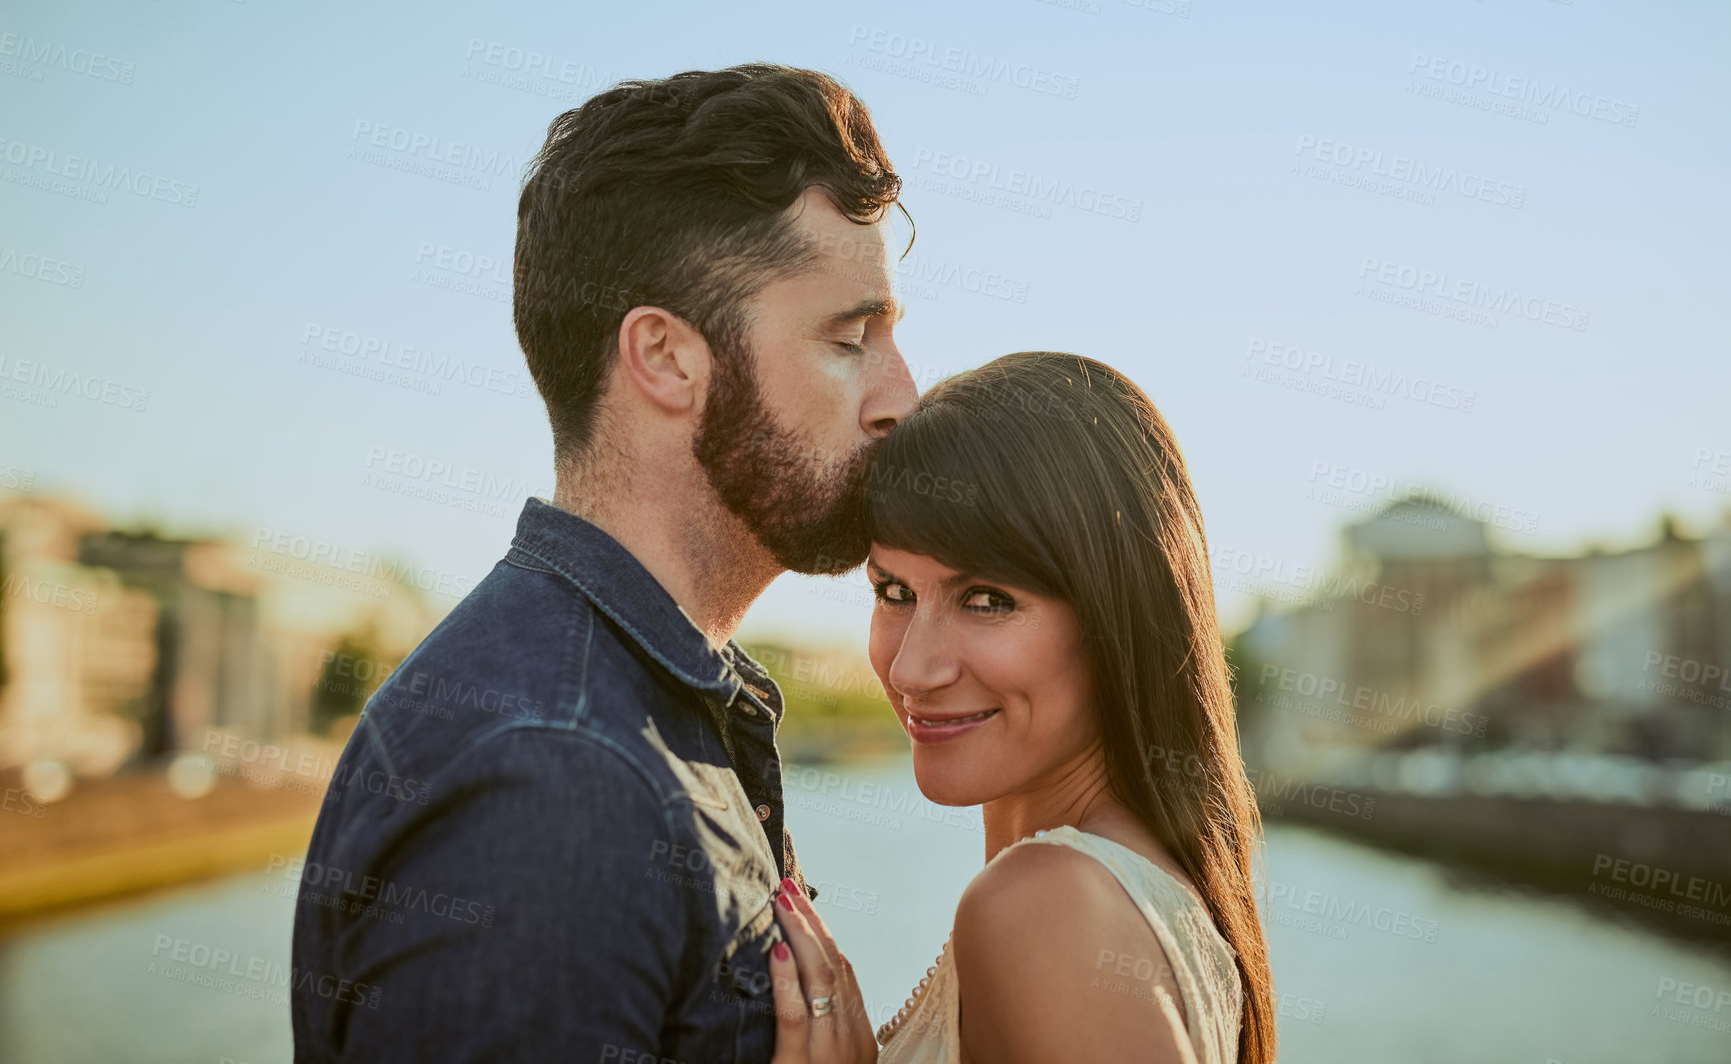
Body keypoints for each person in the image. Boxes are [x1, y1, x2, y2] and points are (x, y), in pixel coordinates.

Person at [290, 64, 918, 1062]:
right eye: (851, 340)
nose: (901, 398)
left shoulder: (637, 715)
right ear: (667, 358)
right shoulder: (555, 781)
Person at [770, 352, 1275, 1064]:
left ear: (1114, 616)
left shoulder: (1046, 909)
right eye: (893, 592)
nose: (912, 667)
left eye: (986, 600)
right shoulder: (1137, 893)